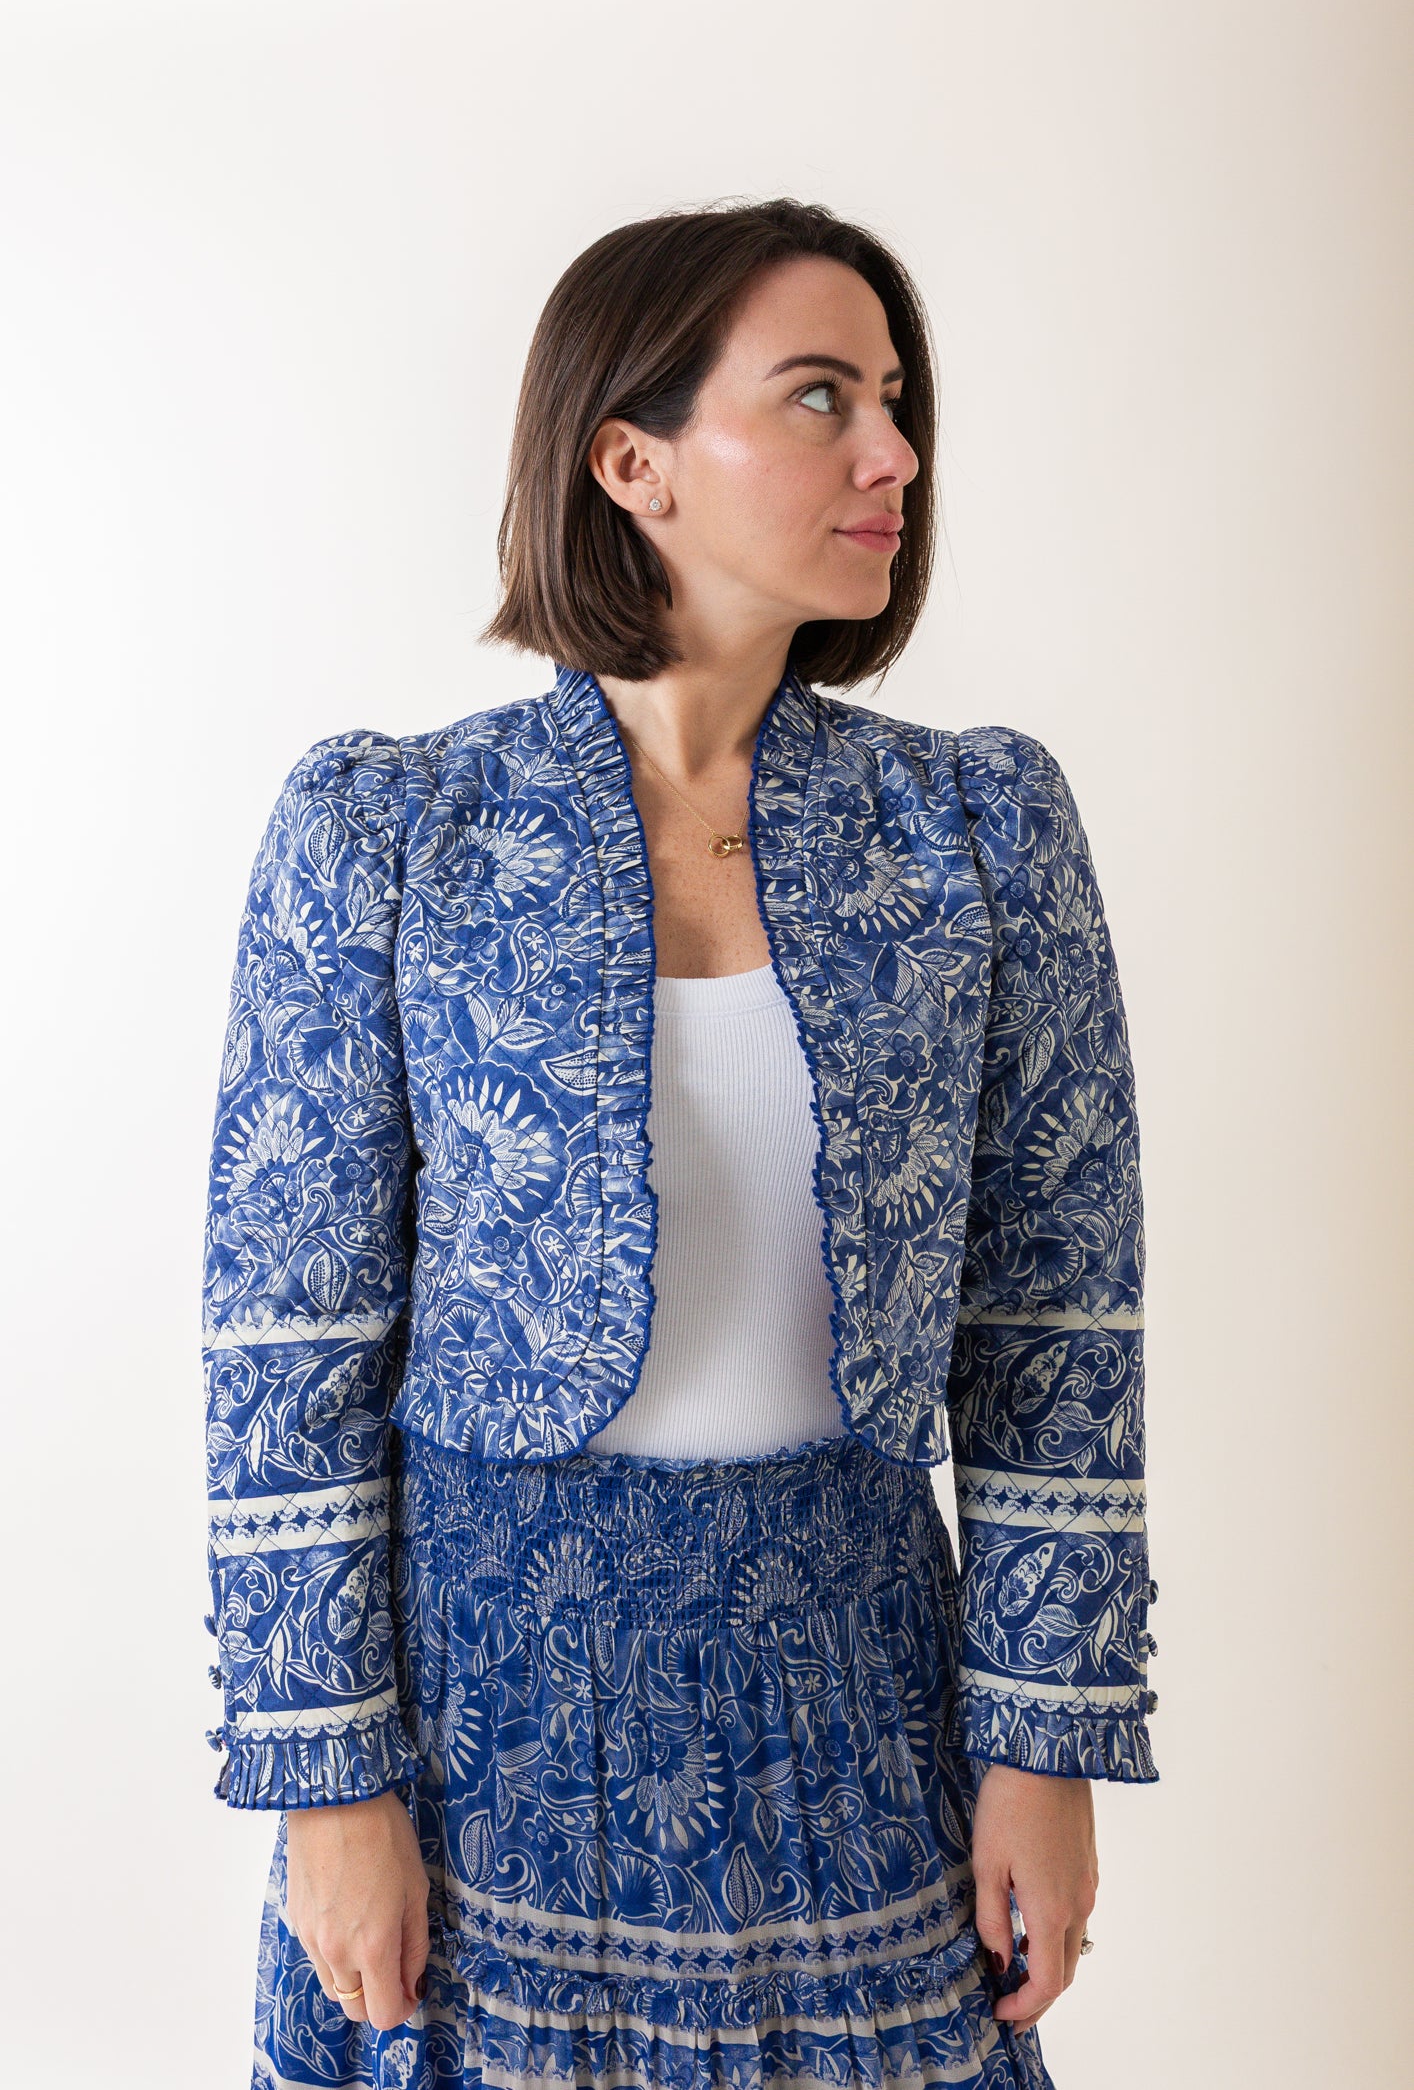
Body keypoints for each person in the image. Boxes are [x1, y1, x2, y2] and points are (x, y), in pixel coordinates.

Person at [201, 195, 1158, 2090]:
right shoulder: (390, 834)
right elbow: (288, 1350)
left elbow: (1052, 1324)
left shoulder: (979, 831)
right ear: (628, 462)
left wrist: (1040, 1745)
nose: (892, 455)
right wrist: (329, 1786)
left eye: (894, 402)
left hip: (862, 1707)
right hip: (488, 1724)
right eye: (819, 397)